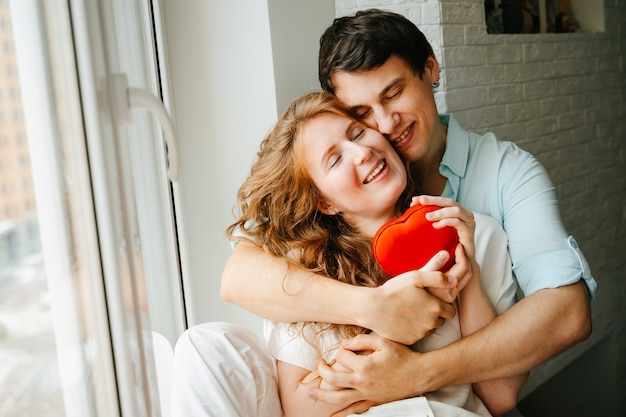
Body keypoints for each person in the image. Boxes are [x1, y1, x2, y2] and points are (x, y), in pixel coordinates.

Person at [220, 8, 596, 417]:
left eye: (393, 92)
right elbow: (241, 274)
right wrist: (371, 307)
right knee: (209, 346)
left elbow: (567, 313)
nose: (384, 125)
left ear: (430, 68)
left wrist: (414, 374)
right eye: (360, 115)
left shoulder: (505, 178)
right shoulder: (323, 222)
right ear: (323, 201)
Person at [233, 91, 528, 416]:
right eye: (335, 159)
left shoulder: (477, 233)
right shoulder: (301, 273)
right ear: (325, 202)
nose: (362, 152)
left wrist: (467, 275)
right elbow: (302, 409)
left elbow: (500, 396)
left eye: (358, 132)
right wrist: (390, 341)